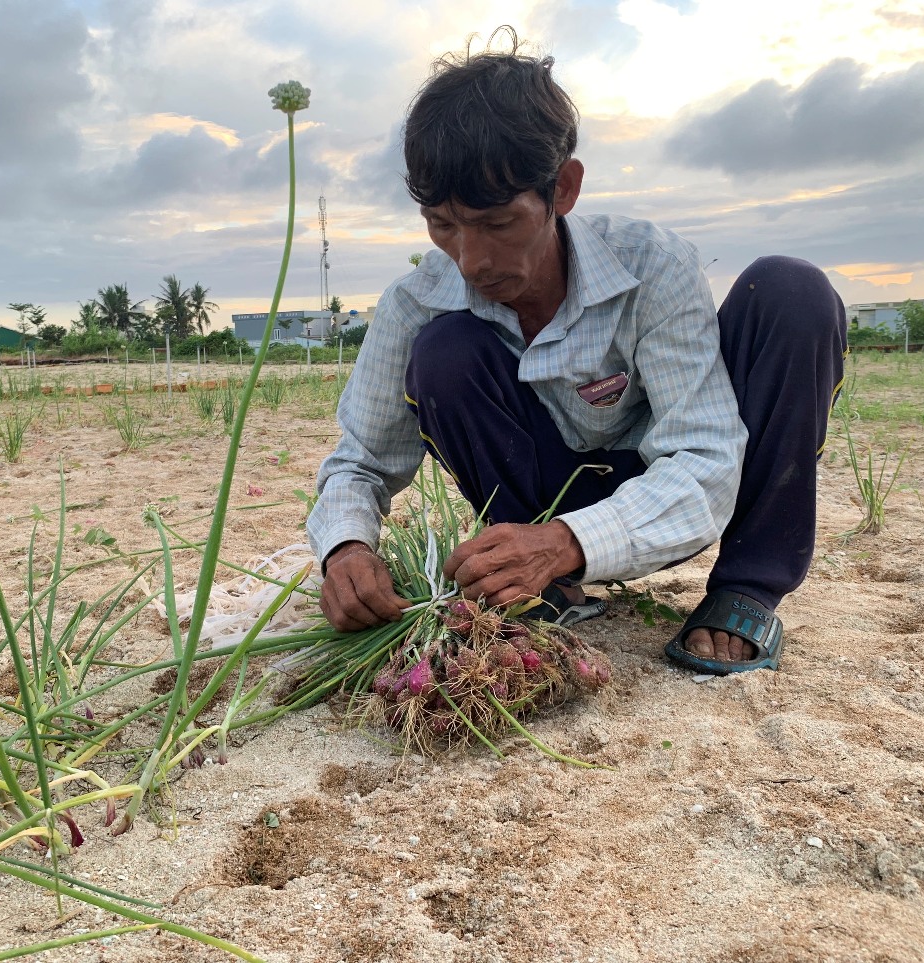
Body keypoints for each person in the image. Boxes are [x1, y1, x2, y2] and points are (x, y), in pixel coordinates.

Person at [305, 30, 847, 675]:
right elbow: (360, 460)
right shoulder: (418, 300)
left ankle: (746, 588)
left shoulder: (653, 267)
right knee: (445, 348)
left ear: (563, 189)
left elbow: (704, 455)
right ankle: (540, 587)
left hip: (655, 488)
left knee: (790, 291)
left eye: (499, 222)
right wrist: (345, 548)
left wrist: (566, 541)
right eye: (443, 225)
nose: (471, 260)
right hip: (536, 509)